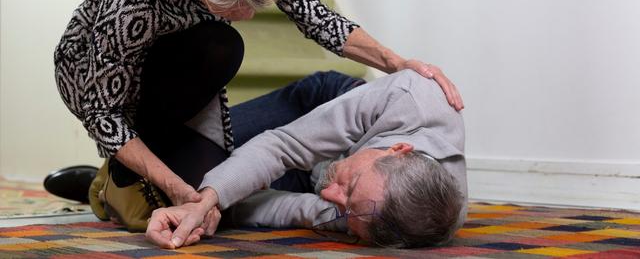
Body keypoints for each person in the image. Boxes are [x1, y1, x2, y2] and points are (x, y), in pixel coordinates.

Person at [51, 0, 464, 228]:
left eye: (255, 1)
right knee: (222, 48)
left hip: (191, 80)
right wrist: (175, 187)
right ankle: (121, 178)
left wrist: (397, 63)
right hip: (103, 87)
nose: (248, 15)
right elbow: (101, 110)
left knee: (218, 197)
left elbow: (319, 19)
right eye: (233, 4)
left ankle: (103, 186)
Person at [146, 69, 467, 249]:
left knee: (185, 184)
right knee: (179, 154)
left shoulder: (380, 217)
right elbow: (283, 146)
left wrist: (216, 211)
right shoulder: (409, 97)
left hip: (317, 170)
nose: (329, 195)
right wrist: (207, 200)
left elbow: (295, 210)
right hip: (320, 104)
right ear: (398, 149)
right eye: (350, 186)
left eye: (343, 208)